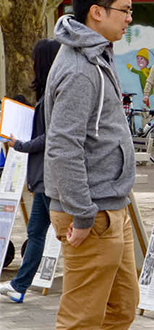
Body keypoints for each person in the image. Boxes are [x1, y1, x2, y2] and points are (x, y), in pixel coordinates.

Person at [43, 0, 138, 329]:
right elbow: (63, 147)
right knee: (82, 319)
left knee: (122, 308)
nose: (130, 18)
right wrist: (82, 214)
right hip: (92, 212)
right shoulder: (81, 69)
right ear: (97, 12)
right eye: (124, 10)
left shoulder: (96, 55)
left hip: (111, 206)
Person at [0, 39, 60, 304]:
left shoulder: (51, 98)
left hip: (49, 177)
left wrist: (20, 145)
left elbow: (50, 137)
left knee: (62, 234)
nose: (31, 65)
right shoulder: (48, 96)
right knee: (36, 233)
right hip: (43, 178)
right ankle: (19, 285)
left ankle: (20, 285)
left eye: (35, 60)